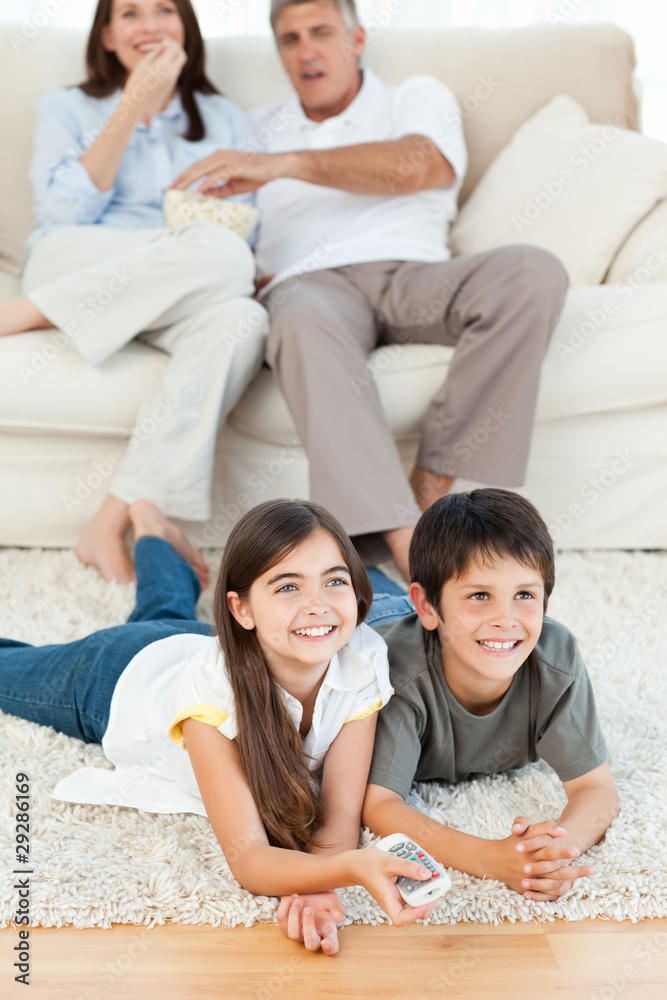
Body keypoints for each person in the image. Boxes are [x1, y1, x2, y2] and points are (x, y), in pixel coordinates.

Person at [170, 0, 569, 581]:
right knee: (299, 318)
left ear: (356, 39)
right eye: (289, 38)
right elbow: (211, 217)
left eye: (321, 32)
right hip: (309, 286)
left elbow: (414, 166)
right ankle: (414, 550)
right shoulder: (253, 125)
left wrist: (283, 164)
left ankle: (430, 494)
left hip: (416, 276)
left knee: (534, 271)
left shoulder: (414, 96)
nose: (306, 50)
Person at [0, 497, 439, 955]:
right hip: (115, 677)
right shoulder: (210, 697)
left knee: (162, 611)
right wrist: (352, 868)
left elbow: (339, 814)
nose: (318, 605)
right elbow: (249, 859)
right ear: (242, 610)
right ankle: (155, 535)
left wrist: (314, 888)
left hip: (198, 643)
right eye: (288, 587)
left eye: (334, 581)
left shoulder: (361, 657)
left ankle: (155, 533)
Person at [0, 0, 267, 585]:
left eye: (164, 10)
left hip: (181, 280)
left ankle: (115, 517)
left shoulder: (225, 118)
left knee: (242, 319)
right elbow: (63, 208)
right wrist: (133, 105)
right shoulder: (66, 107)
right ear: (107, 36)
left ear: (186, 29)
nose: (148, 25)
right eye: (129, 13)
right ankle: (32, 307)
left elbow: (244, 219)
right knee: (220, 256)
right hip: (79, 262)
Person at [361, 488, 620, 902]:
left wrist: (550, 855)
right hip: (377, 622)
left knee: (375, 576)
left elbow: (597, 788)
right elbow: (380, 806)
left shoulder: (555, 658)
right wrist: (492, 858)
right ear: (427, 607)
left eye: (524, 595)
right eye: (480, 596)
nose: (506, 619)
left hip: (412, 611)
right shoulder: (395, 671)